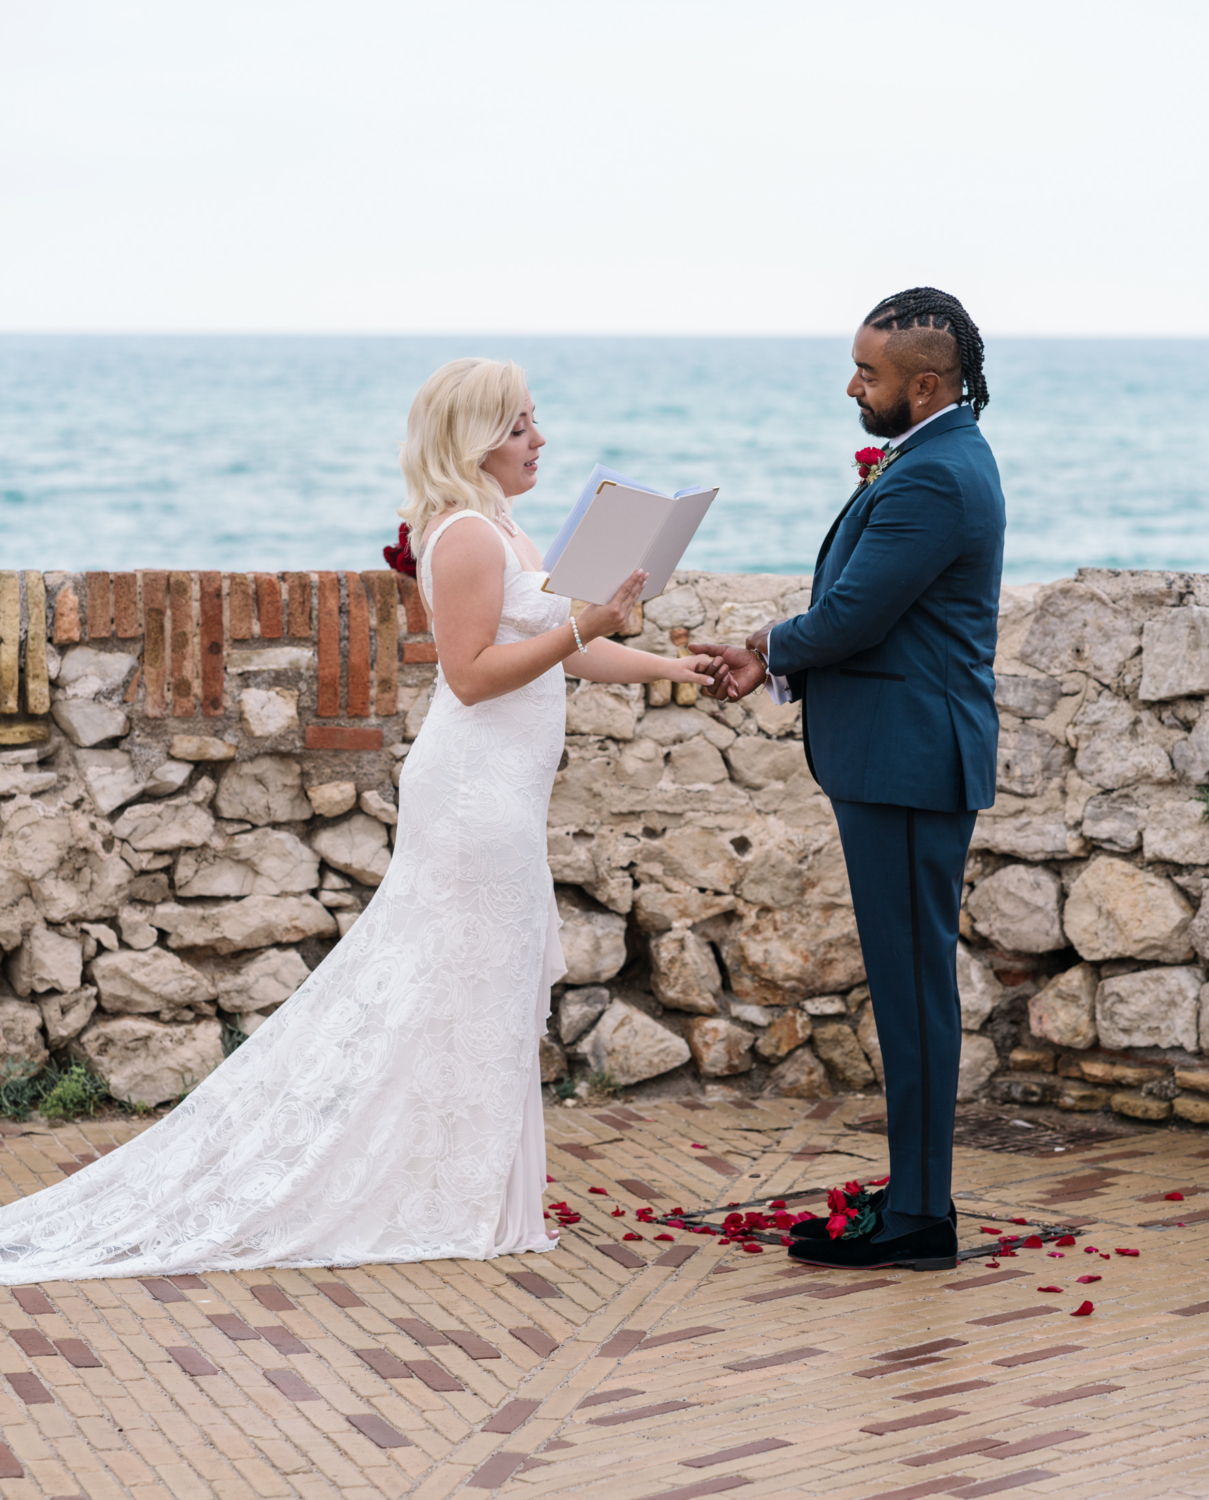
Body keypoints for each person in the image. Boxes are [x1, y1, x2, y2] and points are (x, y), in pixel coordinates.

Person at [0, 357, 717, 1281]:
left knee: (479, 991)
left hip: (506, 789)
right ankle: (440, 1191)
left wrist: (674, 668)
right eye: (520, 427)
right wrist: (585, 624)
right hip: (473, 794)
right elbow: (469, 675)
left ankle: (461, 1186)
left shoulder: (506, 528)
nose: (541, 441)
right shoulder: (463, 535)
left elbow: (561, 659)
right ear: (472, 440)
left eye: (535, 422)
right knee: (458, 984)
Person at [693, 288, 1005, 1273]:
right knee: (910, 985)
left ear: (924, 386)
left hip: (908, 764)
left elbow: (855, 614)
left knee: (914, 991)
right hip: (901, 758)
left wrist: (763, 647)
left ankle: (919, 1218)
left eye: (868, 374)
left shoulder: (935, 476)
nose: (851, 385)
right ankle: (914, 1195)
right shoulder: (938, 458)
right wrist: (776, 650)